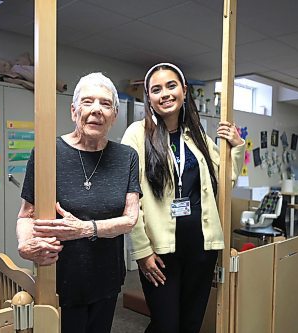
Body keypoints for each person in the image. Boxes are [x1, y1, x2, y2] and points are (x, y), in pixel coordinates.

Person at [121, 63, 245, 333]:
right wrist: (141, 251)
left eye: (171, 85)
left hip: (201, 249)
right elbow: (130, 198)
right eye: (156, 89)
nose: (164, 94)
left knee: (191, 324)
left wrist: (237, 147)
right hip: (161, 254)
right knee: (166, 325)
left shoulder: (197, 134)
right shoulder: (137, 134)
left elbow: (226, 182)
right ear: (148, 97)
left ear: (184, 91)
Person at [16, 72, 141, 333]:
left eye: (106, 104)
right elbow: (26, 215)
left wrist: (84, 229)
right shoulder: (46, 153)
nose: (97, 110)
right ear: (74, 111)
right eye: (88, 102)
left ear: (114, 115)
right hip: (59, 276)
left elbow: (130, 219)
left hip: (106, 277)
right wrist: (25, 245)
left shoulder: (126, 157)